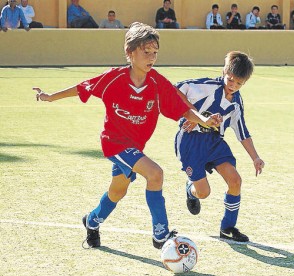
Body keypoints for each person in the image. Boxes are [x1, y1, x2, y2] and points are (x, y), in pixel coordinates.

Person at [33, 22, 221, 249]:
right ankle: (161, 235)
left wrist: (203, 120)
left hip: (135, 147)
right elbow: (84, 87)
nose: (151, 57)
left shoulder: (157, 81)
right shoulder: (114, 78)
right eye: (146, 52)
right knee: (155, 174)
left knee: (117, 191)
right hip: (114, 143)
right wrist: (50, 96)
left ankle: (92, 221)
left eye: (155, 53)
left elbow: (182, 109)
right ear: (130, 52)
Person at [174, 51, 265, 242]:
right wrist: (194, 115)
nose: (233, 85)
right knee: (204, 193)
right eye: (230, 79)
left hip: (215, 143)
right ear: (224, 71)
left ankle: (228, 227)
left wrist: (255, 157)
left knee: (235, 181)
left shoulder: (236, 102)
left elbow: (242, 133)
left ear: (244, 83)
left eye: (238, 83)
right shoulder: (204, 86)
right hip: (191, 141)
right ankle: (191, 189)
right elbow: (175, 90)